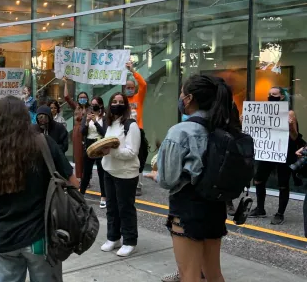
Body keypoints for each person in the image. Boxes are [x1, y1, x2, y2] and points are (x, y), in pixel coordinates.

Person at [0, 96, 78, 282]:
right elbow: (73, 183)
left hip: (3, 237)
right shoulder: (43, 144)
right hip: (40, 236)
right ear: (25, 117)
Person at [152, 74, 234, 282]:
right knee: (214, 273)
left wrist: (156, 174)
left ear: (188, 99)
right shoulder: (223, 128)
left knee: (189, 275)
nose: (179, 98)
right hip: (216, 206)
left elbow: (168, 180)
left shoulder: (181, 131)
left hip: (187, 208)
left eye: (181, 93)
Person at [249, 86, 302, 225]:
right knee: (259, 179)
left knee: (283, 184)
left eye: (274, 94)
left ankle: (280, 213)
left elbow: (296, 137)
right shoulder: (263, 112)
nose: (271, 96)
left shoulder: (289, 113)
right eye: (269, 94)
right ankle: (260, 209)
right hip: (268, 152)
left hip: (284, 152)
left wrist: (290, 127)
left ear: (282, 97)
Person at [97, 92, 141, 258]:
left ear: (125, 105)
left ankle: (129, 241)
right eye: (114, 101)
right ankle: (113, 237)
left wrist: (112, 151)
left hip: (126, 174)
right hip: (109, 171)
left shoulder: (131, 125)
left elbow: (132, 152)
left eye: (120, 101)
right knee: (112, 207)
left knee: (125, 208)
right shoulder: (109, 124)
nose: (116, 104)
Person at [124, 61, 148, 197]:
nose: (130, 89)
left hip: (138, 131)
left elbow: (143, 85)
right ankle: (128, 182)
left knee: (139, 158)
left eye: (132, 87)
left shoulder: (138, 97)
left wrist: (133, 71)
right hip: (125, 132)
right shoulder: (121, 100)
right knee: (127, 158)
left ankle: (139, 185)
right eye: (127, 87)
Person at [80, 97, 107, 208]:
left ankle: (103, 197)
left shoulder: (104, 118)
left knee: (101, 172)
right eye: (92, 104)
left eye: (95, 104)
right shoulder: (87, 116)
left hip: (100, 144)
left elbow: (105, 133)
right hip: (89, 145)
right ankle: (81, 195)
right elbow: (83, 132)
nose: (93, 107)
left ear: (100, 105)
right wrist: (87, 122)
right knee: (86, 172)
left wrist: (96, 122)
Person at [63, 76, 91, 180]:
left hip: (88, 131)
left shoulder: (90, 108)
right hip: (77, 131)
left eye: (84, 97)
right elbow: (66, 96)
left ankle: (87, 177)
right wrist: (65, 82)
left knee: (87, 154)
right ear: (78, 99)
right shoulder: (75, 106)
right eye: (80, 97)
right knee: (78, 154)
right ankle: (79, 177)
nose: (82, 99)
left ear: (87, 99)